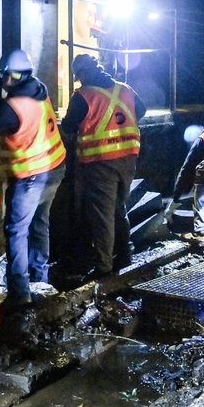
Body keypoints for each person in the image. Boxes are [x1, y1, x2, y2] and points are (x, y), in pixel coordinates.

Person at [0, 48, 66, 311]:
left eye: (6, 76)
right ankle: (41, 281)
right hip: (54, 169)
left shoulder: (10, 108)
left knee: (16, 231)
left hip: (32, 177)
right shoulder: (39, 91)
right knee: (39, 225)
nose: (3, 80)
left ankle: (20, 292)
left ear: (16, 76)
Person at [60, 53, 145, 277]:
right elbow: (142, 110)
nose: (79, 81)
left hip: (100, 162)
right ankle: (125, 253)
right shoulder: (124, 89)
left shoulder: (83, 96)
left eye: (78, 76)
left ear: (83, 73)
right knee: (119, 207)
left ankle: (104, 266)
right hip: (128, 158)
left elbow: (68, 127)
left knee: (101, 215)